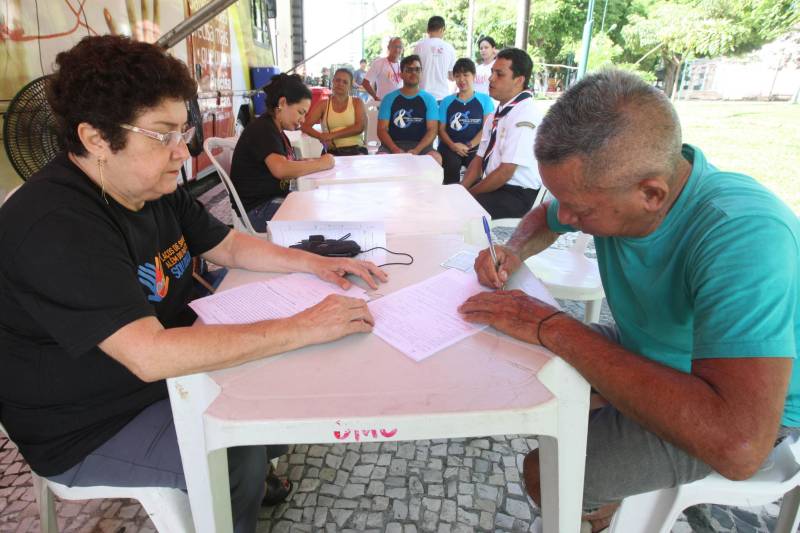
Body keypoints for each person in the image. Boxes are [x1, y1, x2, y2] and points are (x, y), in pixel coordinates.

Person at [0, 35, 388, 533]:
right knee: (235, 447)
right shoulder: (55, 224)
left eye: (183, 131)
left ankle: (249, 485)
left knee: (276, 388)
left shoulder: (147, 185)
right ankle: (237, 495)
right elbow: (151, 355)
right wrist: (303, 325)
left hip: (157, 376)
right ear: (96, 138)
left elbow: (227, 245)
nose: (181, 151)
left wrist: (312, 263)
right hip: (88, 421)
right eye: (162, 134)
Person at [459, 69, 800, 532]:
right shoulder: (614, 186)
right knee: (508, 359)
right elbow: (545, 215)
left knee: (548, 472)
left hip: (746, 405)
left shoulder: (743, 235)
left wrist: (553, 326)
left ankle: (595, 514)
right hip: (656, 348)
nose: (569, 217)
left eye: (581, 210)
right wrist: (513, 248)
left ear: (651, 194)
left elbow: (740, 444)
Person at [230, 73, 334, 232]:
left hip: (269, 203)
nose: (303, 120)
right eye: (301, 112)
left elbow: (288, 162)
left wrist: (314, 161)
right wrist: (321, 163)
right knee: (317, 215)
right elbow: (281, 169)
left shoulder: (275, 129)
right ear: (283, 103)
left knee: (318, 205)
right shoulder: (263, 129)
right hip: (258, 211)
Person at [461, 47, 543, 218]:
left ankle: (472, 245)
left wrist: (469, 194)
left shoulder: (525, 114)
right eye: (492, 72)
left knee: (462, 212)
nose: (491, 78)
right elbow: (478, 159)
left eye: (500, 74)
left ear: (519, 80)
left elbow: (506, 171)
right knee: (452, 200)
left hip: (517, 193)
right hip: (495, 185)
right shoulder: (496, 115)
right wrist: (461, 189)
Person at [377, 54, 442, 165]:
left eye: (417, 69)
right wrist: (395, 149)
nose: (414, 73)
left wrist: (417, 150)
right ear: (401, 74)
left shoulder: (430, 99)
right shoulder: (389, 99)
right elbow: (381, 130)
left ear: (421, 73)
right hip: (392, 146)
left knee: (435, 158)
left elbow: (433, 130)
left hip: (422, 147)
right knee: (380, 159)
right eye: (409, 70)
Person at [437, 58, 494, 184]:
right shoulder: (447, 101)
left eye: (465, 75)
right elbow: (440, 129)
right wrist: (453, 145)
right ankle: (450, 199)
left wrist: (468, 145)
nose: (461, 79)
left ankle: (472, 199)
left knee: (475, 173)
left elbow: (487, 128)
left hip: (475, 147)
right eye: (457, 76)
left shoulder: (485, 100)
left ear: (473, 76)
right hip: (450, 146)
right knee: (451, 165)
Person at [302, 67, 367, 156]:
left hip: (356, 149)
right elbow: (305, 126)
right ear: (333, 81)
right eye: (337, 80)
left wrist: (331, 135)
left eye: (345, 82)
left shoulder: (357, 102)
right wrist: (321, 136)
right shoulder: (323, 104)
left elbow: (359, 127)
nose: (340, 84)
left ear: (350, 86)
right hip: (332, 152)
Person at [413, 15, 456, 102]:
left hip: (422, 96)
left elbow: (414, 72)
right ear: (442, 29)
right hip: (442, 97)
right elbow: (452, 77)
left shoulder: (419, 47)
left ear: (428, 30)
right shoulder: (450, 48)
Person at [362, 37, 404, 101]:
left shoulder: (403, 65)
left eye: (400, 47)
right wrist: (375, 97)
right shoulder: (379, 63)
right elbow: (365, 83)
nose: (397, 49)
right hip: (383, 103)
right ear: (389, 47)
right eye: (395, 46)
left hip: (399, 103)